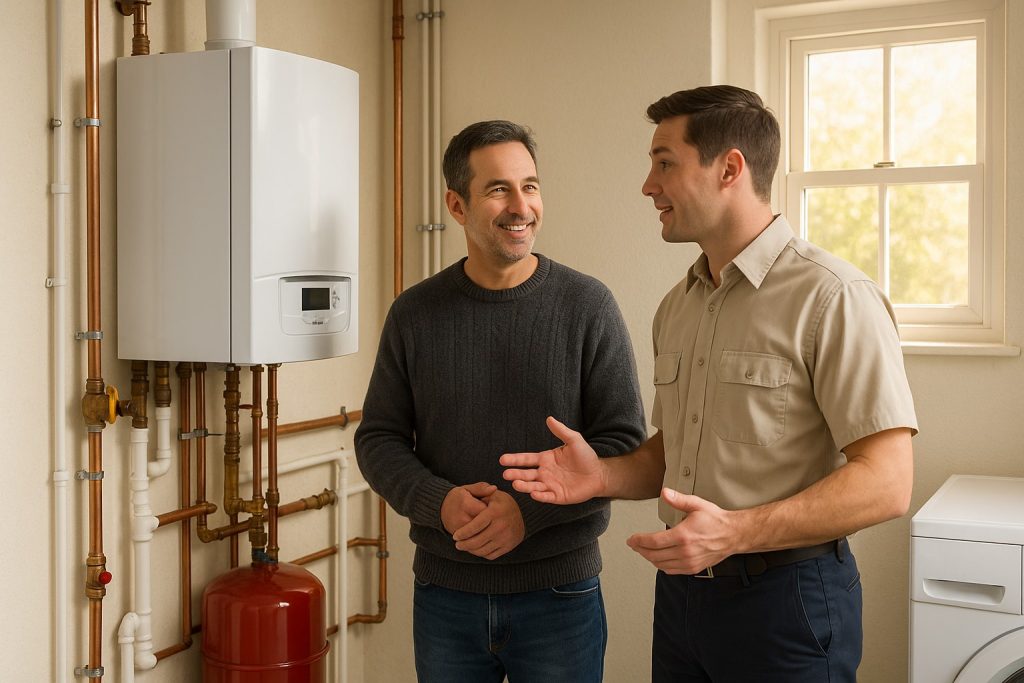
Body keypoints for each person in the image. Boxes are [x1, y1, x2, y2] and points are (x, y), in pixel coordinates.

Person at [501, 86, 917, 682]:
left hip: (788, 603)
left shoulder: (834, 296)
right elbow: (678, 452)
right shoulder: (678, 306)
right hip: (683, 598)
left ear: (729, 169)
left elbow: (888, 483)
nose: (648, 186)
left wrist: (735, 532)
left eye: (665, 163)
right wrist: (602, 477)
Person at [354, 119, 646, 683]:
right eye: (498, 189)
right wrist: (439, 502)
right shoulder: (414, 313)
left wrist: (526, 515)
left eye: (530, 186)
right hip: (445, 593)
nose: (521, 206)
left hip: (560, 593)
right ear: (456, 206)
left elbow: (622, 444)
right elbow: (378, 439)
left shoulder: (588, 305)